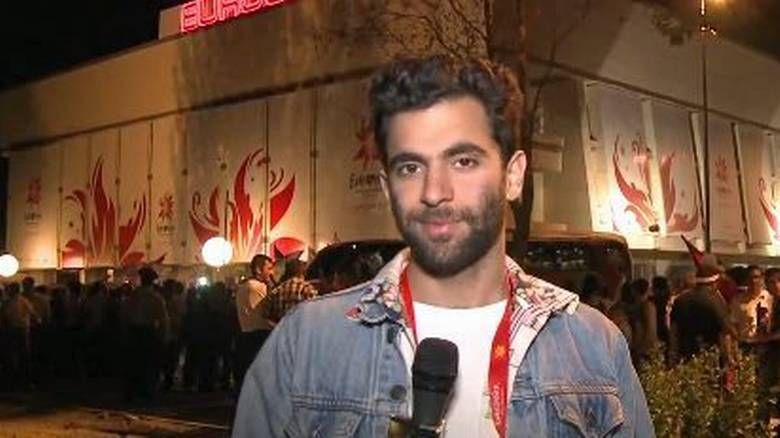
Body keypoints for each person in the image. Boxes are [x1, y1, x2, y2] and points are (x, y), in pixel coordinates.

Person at [233, 56, 653, 437]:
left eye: (463, 161)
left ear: (513, 176)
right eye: (410, 166)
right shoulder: (305, 343)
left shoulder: (593, 346)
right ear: (388, 187)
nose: (434, 191)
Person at [670, 254, 736, 365]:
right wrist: (730, 357)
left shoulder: (680, 299)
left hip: (685, 356)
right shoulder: (716, 301)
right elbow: (725, 332)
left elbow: (674, 331)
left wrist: (673, 355)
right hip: (709, 358)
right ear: (715, 282)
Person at [120, 266, 169, 402]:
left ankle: (131, 391)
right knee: (149, 364)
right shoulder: (156, 297)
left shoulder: (133, 296)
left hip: (134, 332)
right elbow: (163, 320)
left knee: (133, 364)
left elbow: (124, 315)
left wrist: (125, 332)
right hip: (148, 332)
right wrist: (163, 337)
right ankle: (147, 391)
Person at [234, 254, 275, 392]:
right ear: (258, 270)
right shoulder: (257, 287)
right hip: (259, 335)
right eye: (269, 268)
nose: (271, 272)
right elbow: (267, 313)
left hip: (245, 334)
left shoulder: (243, 286)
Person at [263, 259, 318, 324]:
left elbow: (267, 316)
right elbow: (315, 313)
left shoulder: (276, 291)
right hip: (303, 327)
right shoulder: (307, 288)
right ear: (303, 272)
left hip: (283, 328)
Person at [729, 265, 774, 343]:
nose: (753, 281)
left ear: (762, 278)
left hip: (767, 343)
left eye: (756, 277)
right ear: (746, 280)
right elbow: (733, 324)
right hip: (746, 343)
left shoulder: (771, 299)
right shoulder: (737, 301)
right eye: (750, 278)